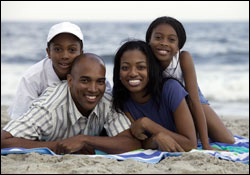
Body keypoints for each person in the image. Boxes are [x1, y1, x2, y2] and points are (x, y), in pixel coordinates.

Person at [1, 53, 141, 155]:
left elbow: (131, 143)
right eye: (85, 81)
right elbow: (3, 139)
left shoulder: (107, 101)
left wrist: (84, 140)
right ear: (69, 81)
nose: (93, 89)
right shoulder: (50, 106)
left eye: (100, 81)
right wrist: (57, 146)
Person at [145, 16, 235, 150]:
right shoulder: (144, 59)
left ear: (177, 47)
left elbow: (194, 100)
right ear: (148, 41)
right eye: (158, 38)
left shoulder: (183, 58)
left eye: (171, 40)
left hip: (191, 96)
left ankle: (200, 133)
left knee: (227, 140)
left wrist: (205, 144)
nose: (164, 43)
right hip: (168, 101)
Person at [8, 22, 112, 120]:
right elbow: (20, 116)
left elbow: (106, 101)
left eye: (72, 50)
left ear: (81, 52)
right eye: (58, 49)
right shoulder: (33, 77)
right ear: (48, 52)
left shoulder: (90, 73)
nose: (65, 56)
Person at [112, 40, 197, 152]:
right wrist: (156, 139)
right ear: (118, 73)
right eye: (125, 68)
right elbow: (140, 143)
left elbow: (190, 144)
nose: (132, 73)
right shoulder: (121, 98)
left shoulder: (171, 88)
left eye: (141, 67)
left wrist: (147, 124)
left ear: (151, 69)